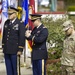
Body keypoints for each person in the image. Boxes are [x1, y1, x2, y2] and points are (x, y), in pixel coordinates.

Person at [2, 6, 25, 75]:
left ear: (15, 14)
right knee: (8, 69)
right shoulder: (6, 22)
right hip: (7, 49)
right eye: (8, 14)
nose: (9, 15)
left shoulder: (20, 23)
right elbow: (4, 35)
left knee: (14, 69)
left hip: (15, 50)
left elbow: (21, 37)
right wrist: (3, 46)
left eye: (11, 14)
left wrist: (20, 49)